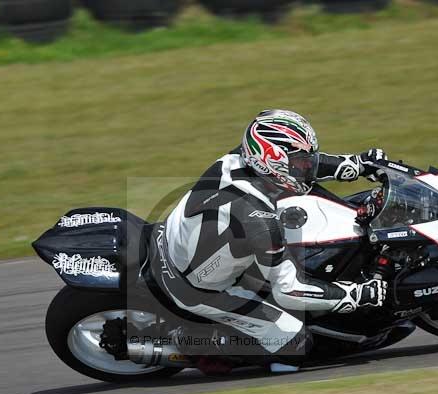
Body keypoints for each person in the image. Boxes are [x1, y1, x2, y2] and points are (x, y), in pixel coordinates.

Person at [148, 109, 388, 373]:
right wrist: (352, 295)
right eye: (300, 163)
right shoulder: (259, 220)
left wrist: (357, 164)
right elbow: (290, 291)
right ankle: (188, 342)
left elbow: (305, 170)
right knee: (294, 343)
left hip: (183, 238)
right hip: (194, 287)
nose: (307, 167)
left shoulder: (245, 156)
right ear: (271, 161)